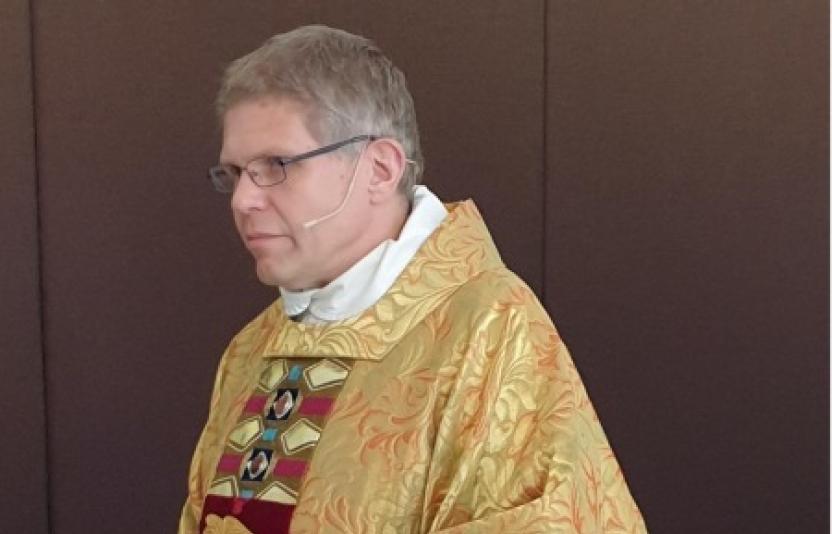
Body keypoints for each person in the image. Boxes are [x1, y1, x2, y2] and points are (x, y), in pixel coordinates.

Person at [179, 24, 647, 534]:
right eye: (236, 172)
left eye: (275, 164)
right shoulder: (253, 350)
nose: (243, 199)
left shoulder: (489, 331)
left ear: (379, 169)